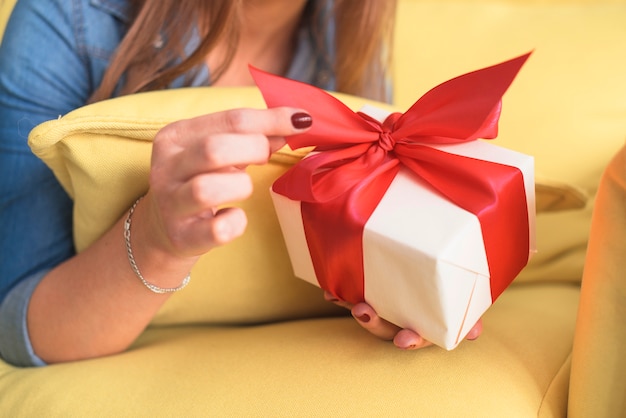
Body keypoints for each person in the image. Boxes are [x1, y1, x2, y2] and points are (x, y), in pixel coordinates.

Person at [0, 0, 482, 367]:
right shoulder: (69, 18)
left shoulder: (348, 26)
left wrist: (407, 284)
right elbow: (17, 324)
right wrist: (156, 241)